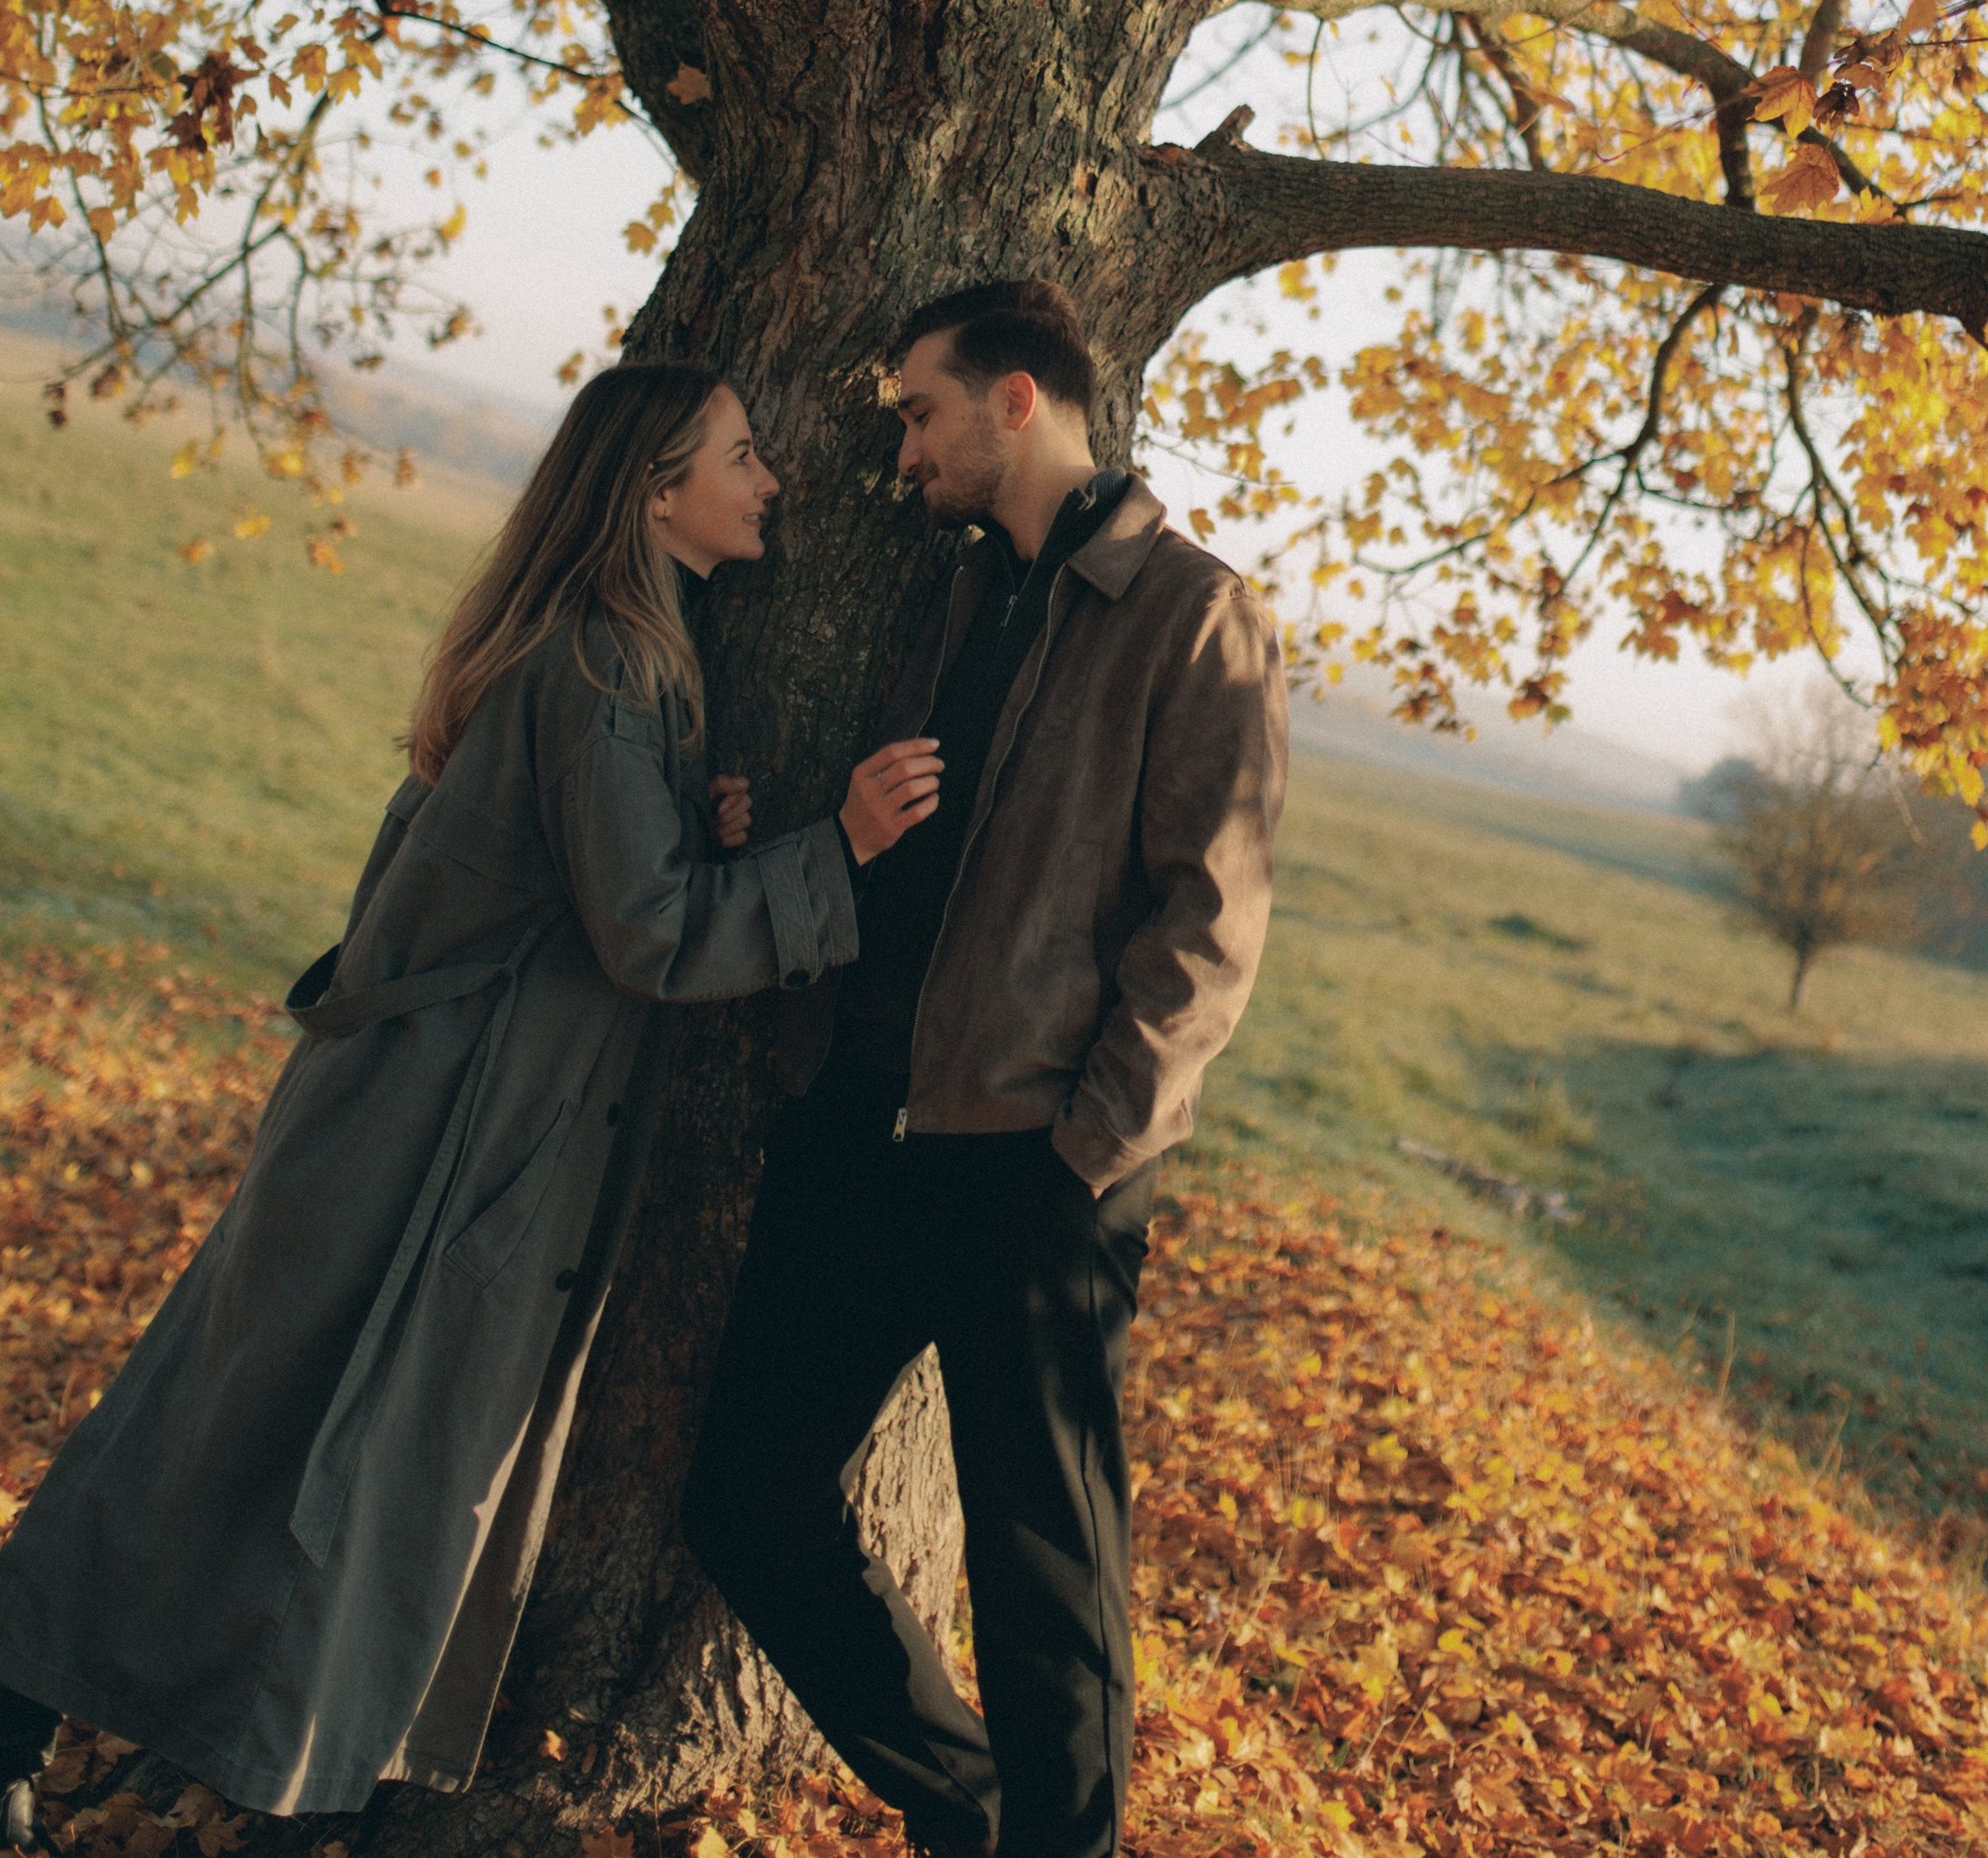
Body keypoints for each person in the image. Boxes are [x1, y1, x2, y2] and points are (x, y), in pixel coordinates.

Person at [0, 361, 942, 1839]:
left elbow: (584, 883)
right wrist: (843, 852)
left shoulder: (622, 655)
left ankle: (240, 1766)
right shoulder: (609, 667)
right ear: (655, 489)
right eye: (743, 456)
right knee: (264, 1441)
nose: (771, 482)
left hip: (441, 1122)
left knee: (256, 1433)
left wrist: (698, 841)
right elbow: (645, 936)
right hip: (439, 1137)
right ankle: (207, 1766)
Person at [682, 278, 1289, 1858]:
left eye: (920, 411)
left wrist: (1081, 1156)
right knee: (743, 1496)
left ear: (1018, 400)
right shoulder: (959, 599)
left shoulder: (1194, 614)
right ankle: (971, 1813)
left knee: (1047, 1584)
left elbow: (1209, 925)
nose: (902, 446)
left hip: (1034, 1164)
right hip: (863, 1133)